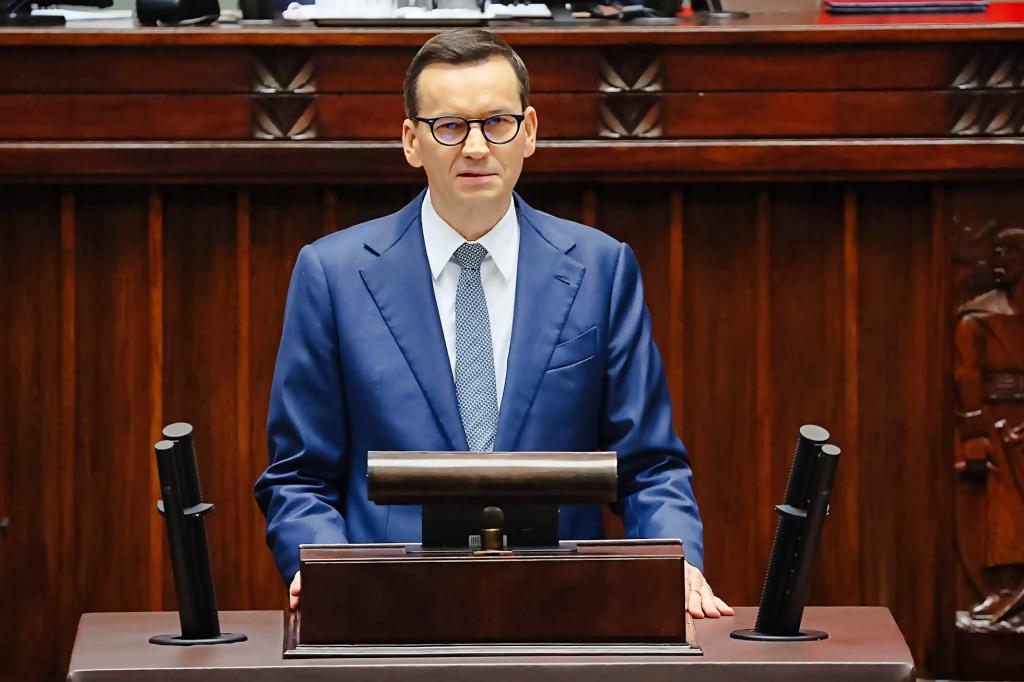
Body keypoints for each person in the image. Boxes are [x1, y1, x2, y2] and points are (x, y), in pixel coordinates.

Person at [254, 28, 732, 620]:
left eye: (497, 123)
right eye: (450, 126)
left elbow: (649, 465)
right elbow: (299, 475)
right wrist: (325, 571)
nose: (477, 147)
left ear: (529, 132)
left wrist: (674, 562)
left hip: (565, 613)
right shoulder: (333, 275)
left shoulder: (600, 269)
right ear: (411, 141)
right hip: (387, 613)